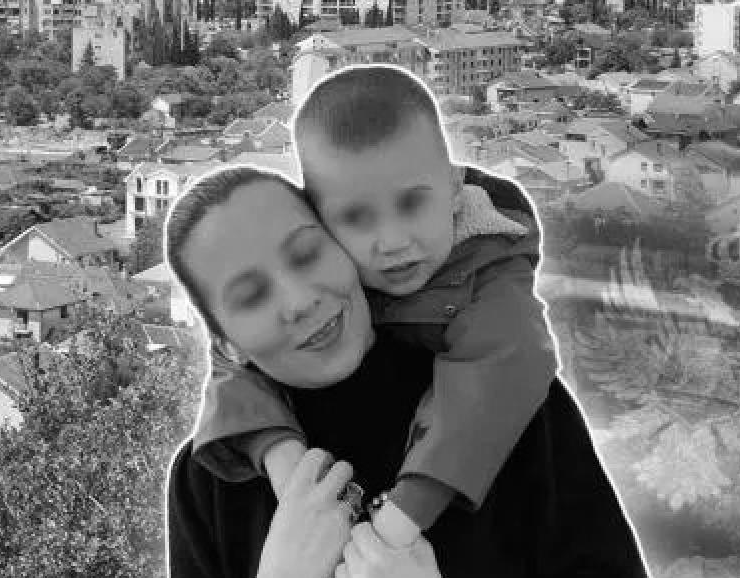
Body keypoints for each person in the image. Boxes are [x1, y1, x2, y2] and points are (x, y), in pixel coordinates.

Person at [165, 165, 668, 578]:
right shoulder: (211, 477)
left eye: (307, 254)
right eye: (251, 297)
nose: (298, 300)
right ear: (225, 343)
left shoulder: (504, 403)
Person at [191, 64, 559, 549]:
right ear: (318, 220)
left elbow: (496, 380)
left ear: (454, 188)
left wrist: (401, 519)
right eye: (356, 218)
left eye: (412, 203)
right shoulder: (329, 290)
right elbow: (233, 360)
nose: (392, 241)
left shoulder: (492, 280)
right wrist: (281, 458)